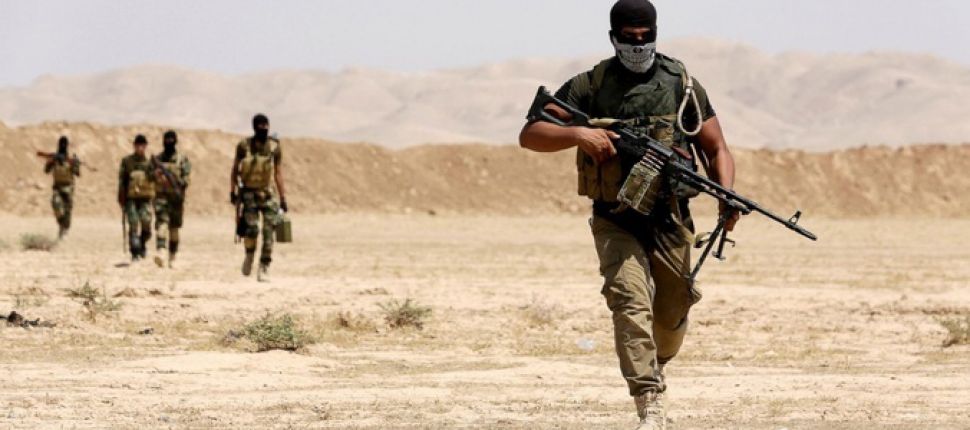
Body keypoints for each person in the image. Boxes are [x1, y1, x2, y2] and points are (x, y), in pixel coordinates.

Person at [518, 1, 739, 428]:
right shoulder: (591, 84)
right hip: (615, 216)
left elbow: (716, 148)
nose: (638, 46)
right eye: (628, 38)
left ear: (655, 34)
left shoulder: (681, 84)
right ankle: (648, 399)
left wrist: (726, 195)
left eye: (645, 38)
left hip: (670, 217)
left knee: (672, 312)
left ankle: (658, 362)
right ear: (613, 37)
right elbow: (531, 134)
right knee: (629, 302)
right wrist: (578, 134)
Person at [230, 114, 287, 282]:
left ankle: (264, 266)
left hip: (268, 195)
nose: (264, 128)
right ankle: (249, 255)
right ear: (254, 128)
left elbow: (278, 173)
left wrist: (283, 197)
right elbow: (235, 169)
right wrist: (232, 191)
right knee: (251, 230)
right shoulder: (244, 146)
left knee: (269, 233)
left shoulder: (274, 147)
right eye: (260, 126)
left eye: (266, 125)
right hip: (249, 195)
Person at [152, 130, 192, 269]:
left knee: (174, 228)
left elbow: (187, 178)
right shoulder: (158, 160)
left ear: (175, 141)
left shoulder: (182, 159)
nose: (169, 142)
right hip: (161, 197)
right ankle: (161, 251)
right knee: (162, 224)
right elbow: (150, 177)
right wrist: (157, 175)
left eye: (171, 139)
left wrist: (179, 183)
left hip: (176, 199)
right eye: (166, 139)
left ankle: (173, 257)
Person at [118, 134, 156, 262]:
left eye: (142, 145)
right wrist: (121, 197)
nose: (140, 148)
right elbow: (122, 181)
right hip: (131, 199)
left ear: (145, 146)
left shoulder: (149, 163)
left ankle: (142, 243)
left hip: (145, 199)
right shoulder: (127, 162)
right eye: (138, 145)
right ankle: (134, 252)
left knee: (146, 223)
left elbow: (153, 180)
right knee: (133, 223)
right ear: (134, 146)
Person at [43, 136, 81, 240]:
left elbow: (77, 173)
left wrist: (75, 163)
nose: (63, 146)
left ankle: (64, 229)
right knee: (56, 204)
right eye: (61, 144)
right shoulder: (54, 158)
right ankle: (61, 225)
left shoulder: (70, 159)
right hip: (57, 187)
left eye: (64, 144)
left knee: (67, 211)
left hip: (68, 188)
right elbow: (46, 171)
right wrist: (51, 161)